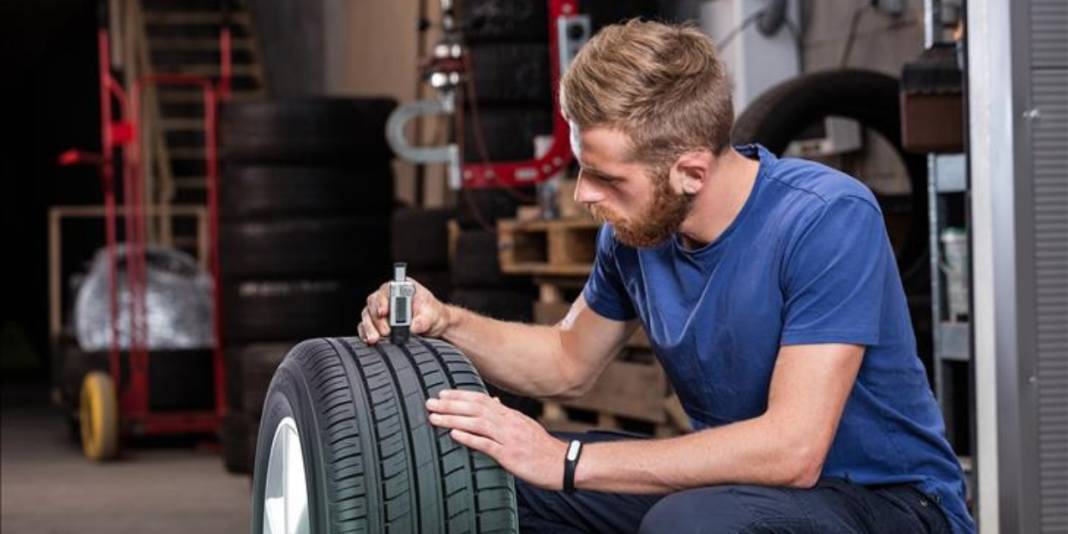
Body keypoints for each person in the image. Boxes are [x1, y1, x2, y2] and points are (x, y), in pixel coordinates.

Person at [358, 18, 974, 534]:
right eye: (581, 168)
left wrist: (565, 459)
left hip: (891, 502)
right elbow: (566, 360)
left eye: (605, 178)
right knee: (486, 479)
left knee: (692, 523)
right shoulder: (635, 236)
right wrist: (448, 321)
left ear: (691, 172)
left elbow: (793, 451)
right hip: (739, 488)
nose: (582, 195)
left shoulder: (825, 218)